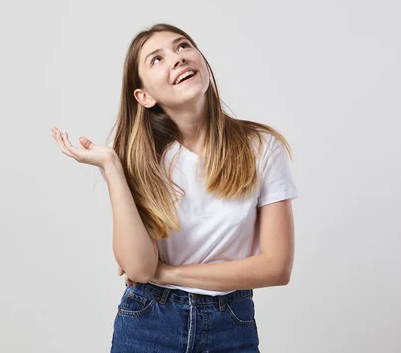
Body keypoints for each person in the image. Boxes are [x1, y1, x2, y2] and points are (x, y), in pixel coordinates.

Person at [51, 23, 298, 352]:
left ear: (203, 62)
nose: (177, 58)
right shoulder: (141, 161)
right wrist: (112, 166)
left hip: (232, 325)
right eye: (157, 59)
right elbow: (140, 268)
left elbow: (276, 267)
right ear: (144, 96)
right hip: (149, 322)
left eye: (183, 47)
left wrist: (169, 275)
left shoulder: (261, 147)